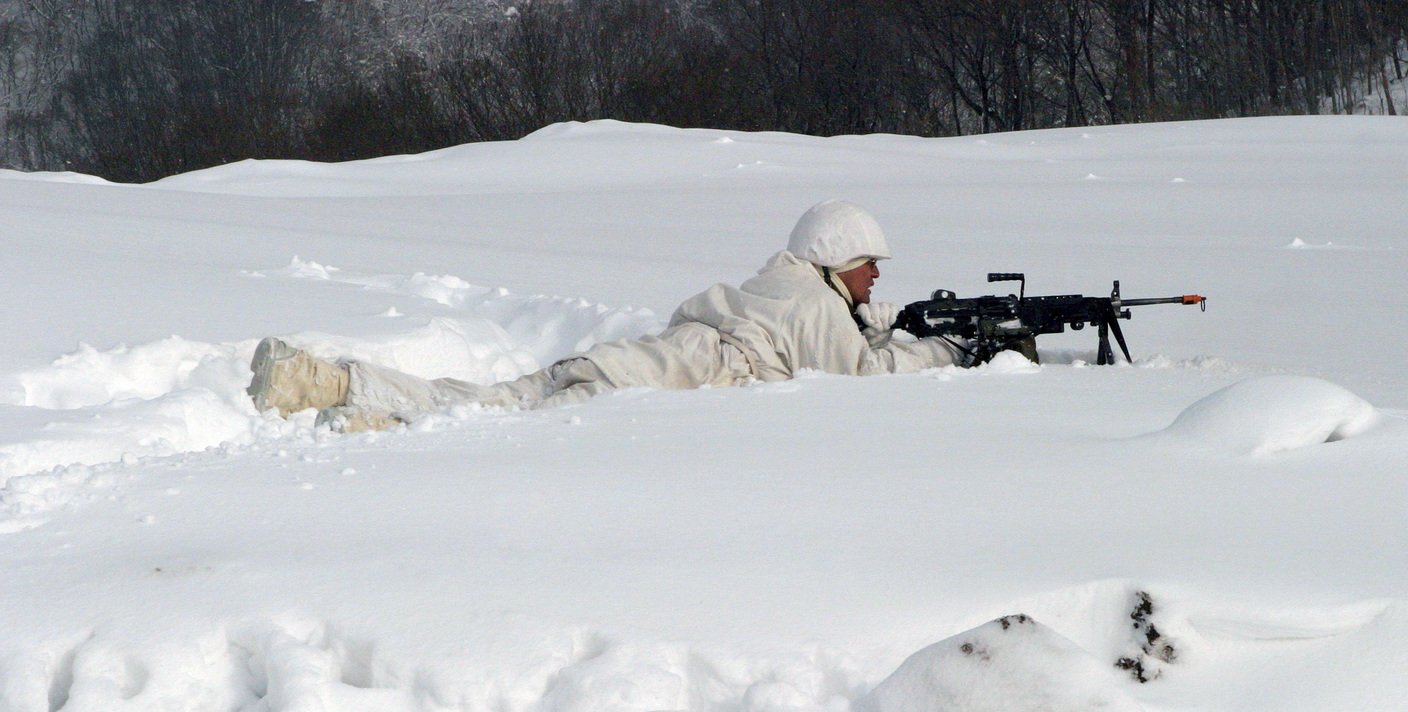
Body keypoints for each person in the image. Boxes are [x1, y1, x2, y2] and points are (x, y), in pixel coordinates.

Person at [248, 200, 961, 431]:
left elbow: (856, 323)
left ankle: (340, 389)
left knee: (492, 404)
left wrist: (918, 319)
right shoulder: (816, 308)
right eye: (870, 264)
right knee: (494, 418)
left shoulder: (784, 287)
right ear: (837, 262)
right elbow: (863, 370)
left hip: (645, 357)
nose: (876, 276)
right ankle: (348, 396)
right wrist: (952, 353)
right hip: (660, 380)